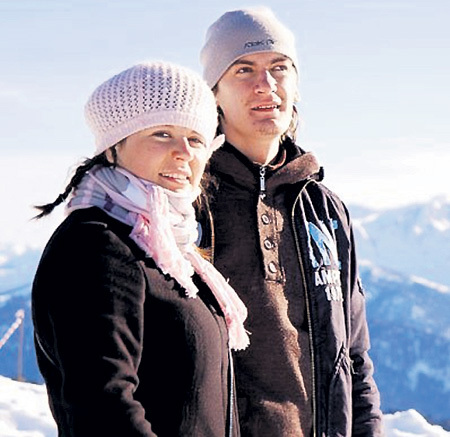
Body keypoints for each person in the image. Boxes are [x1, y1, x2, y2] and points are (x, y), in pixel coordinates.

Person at [31, 61, 250, 437]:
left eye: (196, 139)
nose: (184, 152)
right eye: (162, 133)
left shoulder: (170, 250)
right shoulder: (95, 245)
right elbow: (103, 407)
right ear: (113, 147)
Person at [198, 7, 383, 437]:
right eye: (244, 69)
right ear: (215, 92)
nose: (266, 84)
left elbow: (354, 356)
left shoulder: (324, 209)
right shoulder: (192, 204)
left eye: (279, 67)